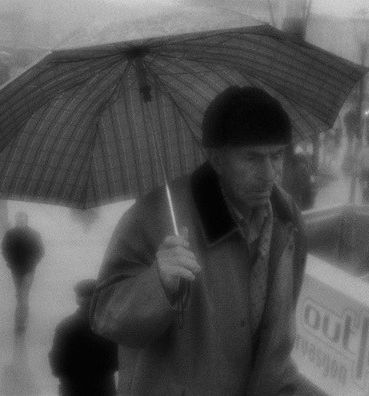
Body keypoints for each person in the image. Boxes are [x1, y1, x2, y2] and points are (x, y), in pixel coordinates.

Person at [91, 86, 307, 395]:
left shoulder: (288, 219)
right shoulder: (155, 215)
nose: (269, 174)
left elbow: (278, 334)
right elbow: (106, 316)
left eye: (277, 156)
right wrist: (158, 283)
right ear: (217, 159)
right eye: (253, 158)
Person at [50, 279, 118, 396]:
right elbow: (116, 360)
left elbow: (57, 362)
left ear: (78, 299)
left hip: (72, 386)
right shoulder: (109, 324)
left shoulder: (66, 325)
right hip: (103, 386)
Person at [1, 211, 45, 335]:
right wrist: (9, 261)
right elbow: (4, 249)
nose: (21, 221)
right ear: (16, 220)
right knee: (19, 295)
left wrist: (34, 262)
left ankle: (20, 323)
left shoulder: (34, 234)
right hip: (15, 269)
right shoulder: (10, 234)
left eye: (23, 219)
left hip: (29, 270)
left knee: (23, 296)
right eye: (19, 219)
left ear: (26, 220)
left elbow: (41, 251)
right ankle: (23, 316)